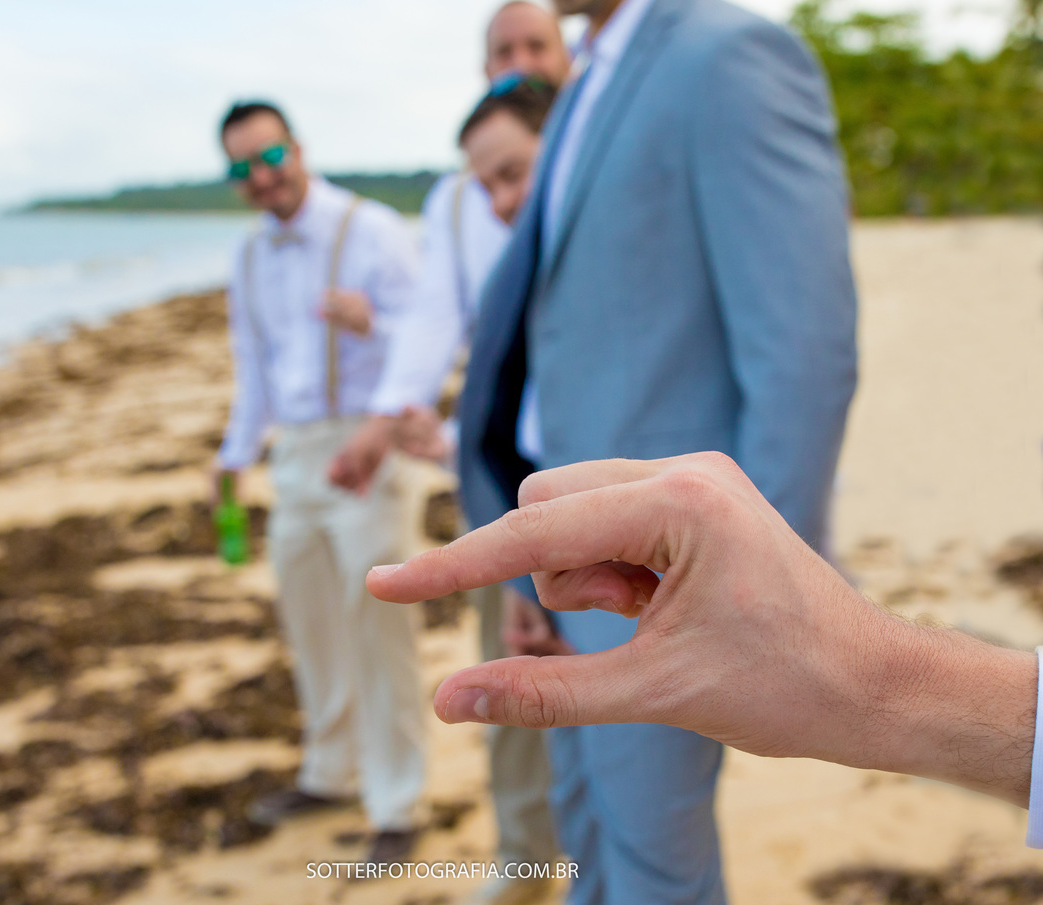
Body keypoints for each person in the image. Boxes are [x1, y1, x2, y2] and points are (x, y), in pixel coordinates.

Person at [452, 0, 859, 902]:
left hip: (669, 588)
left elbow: (802, 354)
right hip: (571, 571)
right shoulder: (590, 77)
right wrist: (527, 564)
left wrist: (762, 600)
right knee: (585, 836)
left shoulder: (729, 57)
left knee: (654, 869)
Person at [365, 452, 1043, 847]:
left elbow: (803, 357)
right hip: (595, 555)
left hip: (686, 579)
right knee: (585, 821)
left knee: (655, 837)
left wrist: (800, 579)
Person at [330, 6, 572, 903]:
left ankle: (597, 863)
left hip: (599, 459)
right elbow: (434, 317)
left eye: (533, 48)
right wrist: (391, 416)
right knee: (508, 681)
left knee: (609, 694)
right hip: (503, 478)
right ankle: (525, 862)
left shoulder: (592, 166)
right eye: (500, 52)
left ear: (566, 59)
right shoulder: (459, 194)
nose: (516, 62)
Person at [214, 100, 426, 865]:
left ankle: (399, 800)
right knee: (310, 622)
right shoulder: (246, 255)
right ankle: (331, 771)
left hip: (366, 444)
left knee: (377, 624)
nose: (260, 175)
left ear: (297, 148)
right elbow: (254, 365)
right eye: (241, 167)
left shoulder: (367, 227)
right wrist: (234, 457)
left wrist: (373, 323)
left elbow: (432, 334)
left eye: (269, 156)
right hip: (295, 455)